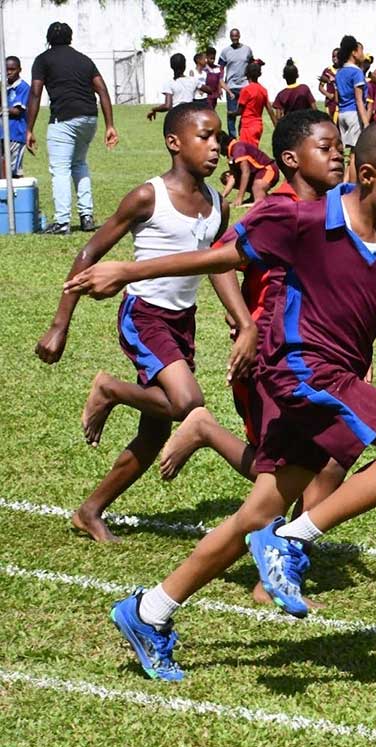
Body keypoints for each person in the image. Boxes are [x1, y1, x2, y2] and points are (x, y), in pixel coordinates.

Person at [66, 119, 376, 681]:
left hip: (336, 374)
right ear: (368, 177)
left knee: (258, 510)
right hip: (299, 369)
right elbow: (221, 259)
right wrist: (130, 269)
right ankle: (291, 542)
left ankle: (150, 611)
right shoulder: (300, 218)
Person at [34, 101, 256, 544]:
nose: (216, 147)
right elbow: (89, 254)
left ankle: (89, 511)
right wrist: (60, 323)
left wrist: (243, 320)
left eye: (218, 138)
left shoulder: (217, 204)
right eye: (204, 137)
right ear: (174, 143)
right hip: (145, 317)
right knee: (185, 403)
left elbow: (217, 265)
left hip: (182, 323)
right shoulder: (147, 196)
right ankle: (109, 388)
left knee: (154, 431)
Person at [159, 110, 349, 607]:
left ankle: (280, 560)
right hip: (271, 351)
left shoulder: (336, 208)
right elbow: (221, 259)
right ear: (291, 159)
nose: (338, 156)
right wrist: (246, 325)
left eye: (340, 147)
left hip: (319, 350)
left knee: (319, 460)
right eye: (326, 148)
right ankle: (272, 576)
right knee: (293, 467)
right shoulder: (278, 208)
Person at [25, 22, 120, 235]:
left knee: (60, 168)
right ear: (70, 38)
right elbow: (102, 90)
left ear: (48, 39)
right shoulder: (84, 60)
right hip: (89, 118)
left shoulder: (43, 60)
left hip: (64, 119)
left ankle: (62, 221)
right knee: (79, 164)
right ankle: (86, 217)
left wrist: (29, 128)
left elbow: (35, 93)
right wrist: (110, 125)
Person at [334, 35, 369, 183]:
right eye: (361, 51)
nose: (363, 54)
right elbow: (359, 100)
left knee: (346, 154)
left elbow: (337, 99)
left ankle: (344, 182)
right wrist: (366, 123)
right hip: (354, 114)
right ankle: (352, 187)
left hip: (341, 114)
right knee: (355, 154)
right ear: (354, 53)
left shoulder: (339, 72)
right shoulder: (357, 73)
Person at [219, 130, 278, 207]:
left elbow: (246, 172)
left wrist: (239, 198)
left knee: (256, 185)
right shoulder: (231, 152)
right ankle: (255, 196)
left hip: (269, 170)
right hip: (257, 173)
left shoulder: (238, 148)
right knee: (226, 177)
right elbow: (233, 176)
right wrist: (222, 197)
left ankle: (258, 201)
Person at [218, 29, 254, 137]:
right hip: (231, 87)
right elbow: (221, 69)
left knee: (245, 113)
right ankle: (232, 139)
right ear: (230, 37)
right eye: (232, 36)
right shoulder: (225, 51)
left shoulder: (247, 50)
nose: (234, 38)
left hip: (245, 86)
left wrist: (252, 82)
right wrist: (220, 85)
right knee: (231, 114)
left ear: (239, 36)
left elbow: (252, 65)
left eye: (236, 36)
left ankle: (244, 135)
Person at [146, 54, 199, 122]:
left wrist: (154, 109)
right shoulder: (193, 80)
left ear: (171, 66)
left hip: (176, 116)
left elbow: (167, 106)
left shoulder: (169, 83)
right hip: (191, 115)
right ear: (185, 66)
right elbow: (208, 90)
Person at [236, 61, 273, 148]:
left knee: (248, 153)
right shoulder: (263, 90)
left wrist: (231, 113)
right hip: (258, 125)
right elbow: (270, 110)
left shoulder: (246, 90)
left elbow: (240, 111)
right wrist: (277, 126)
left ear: (246, 74)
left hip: (247, 126)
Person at [4, 56, 30, 179]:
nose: (9, 72)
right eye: (6, 69)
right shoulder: (3, 86)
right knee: (3, 168)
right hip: (2, 134)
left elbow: (17, 111)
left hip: (16, 134)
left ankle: (17, 196)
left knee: (14, 171)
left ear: (19, 69)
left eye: (12, 69)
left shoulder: (23, 87)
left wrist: (2, 109)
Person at [318, 48, 339, 119]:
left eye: (337, 56)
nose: (335, 58)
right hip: (330, 102)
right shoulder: (327, 71)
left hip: (339, 102)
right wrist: (328, 95)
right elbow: (320, 87)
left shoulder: (343, 70)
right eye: (333, 56)